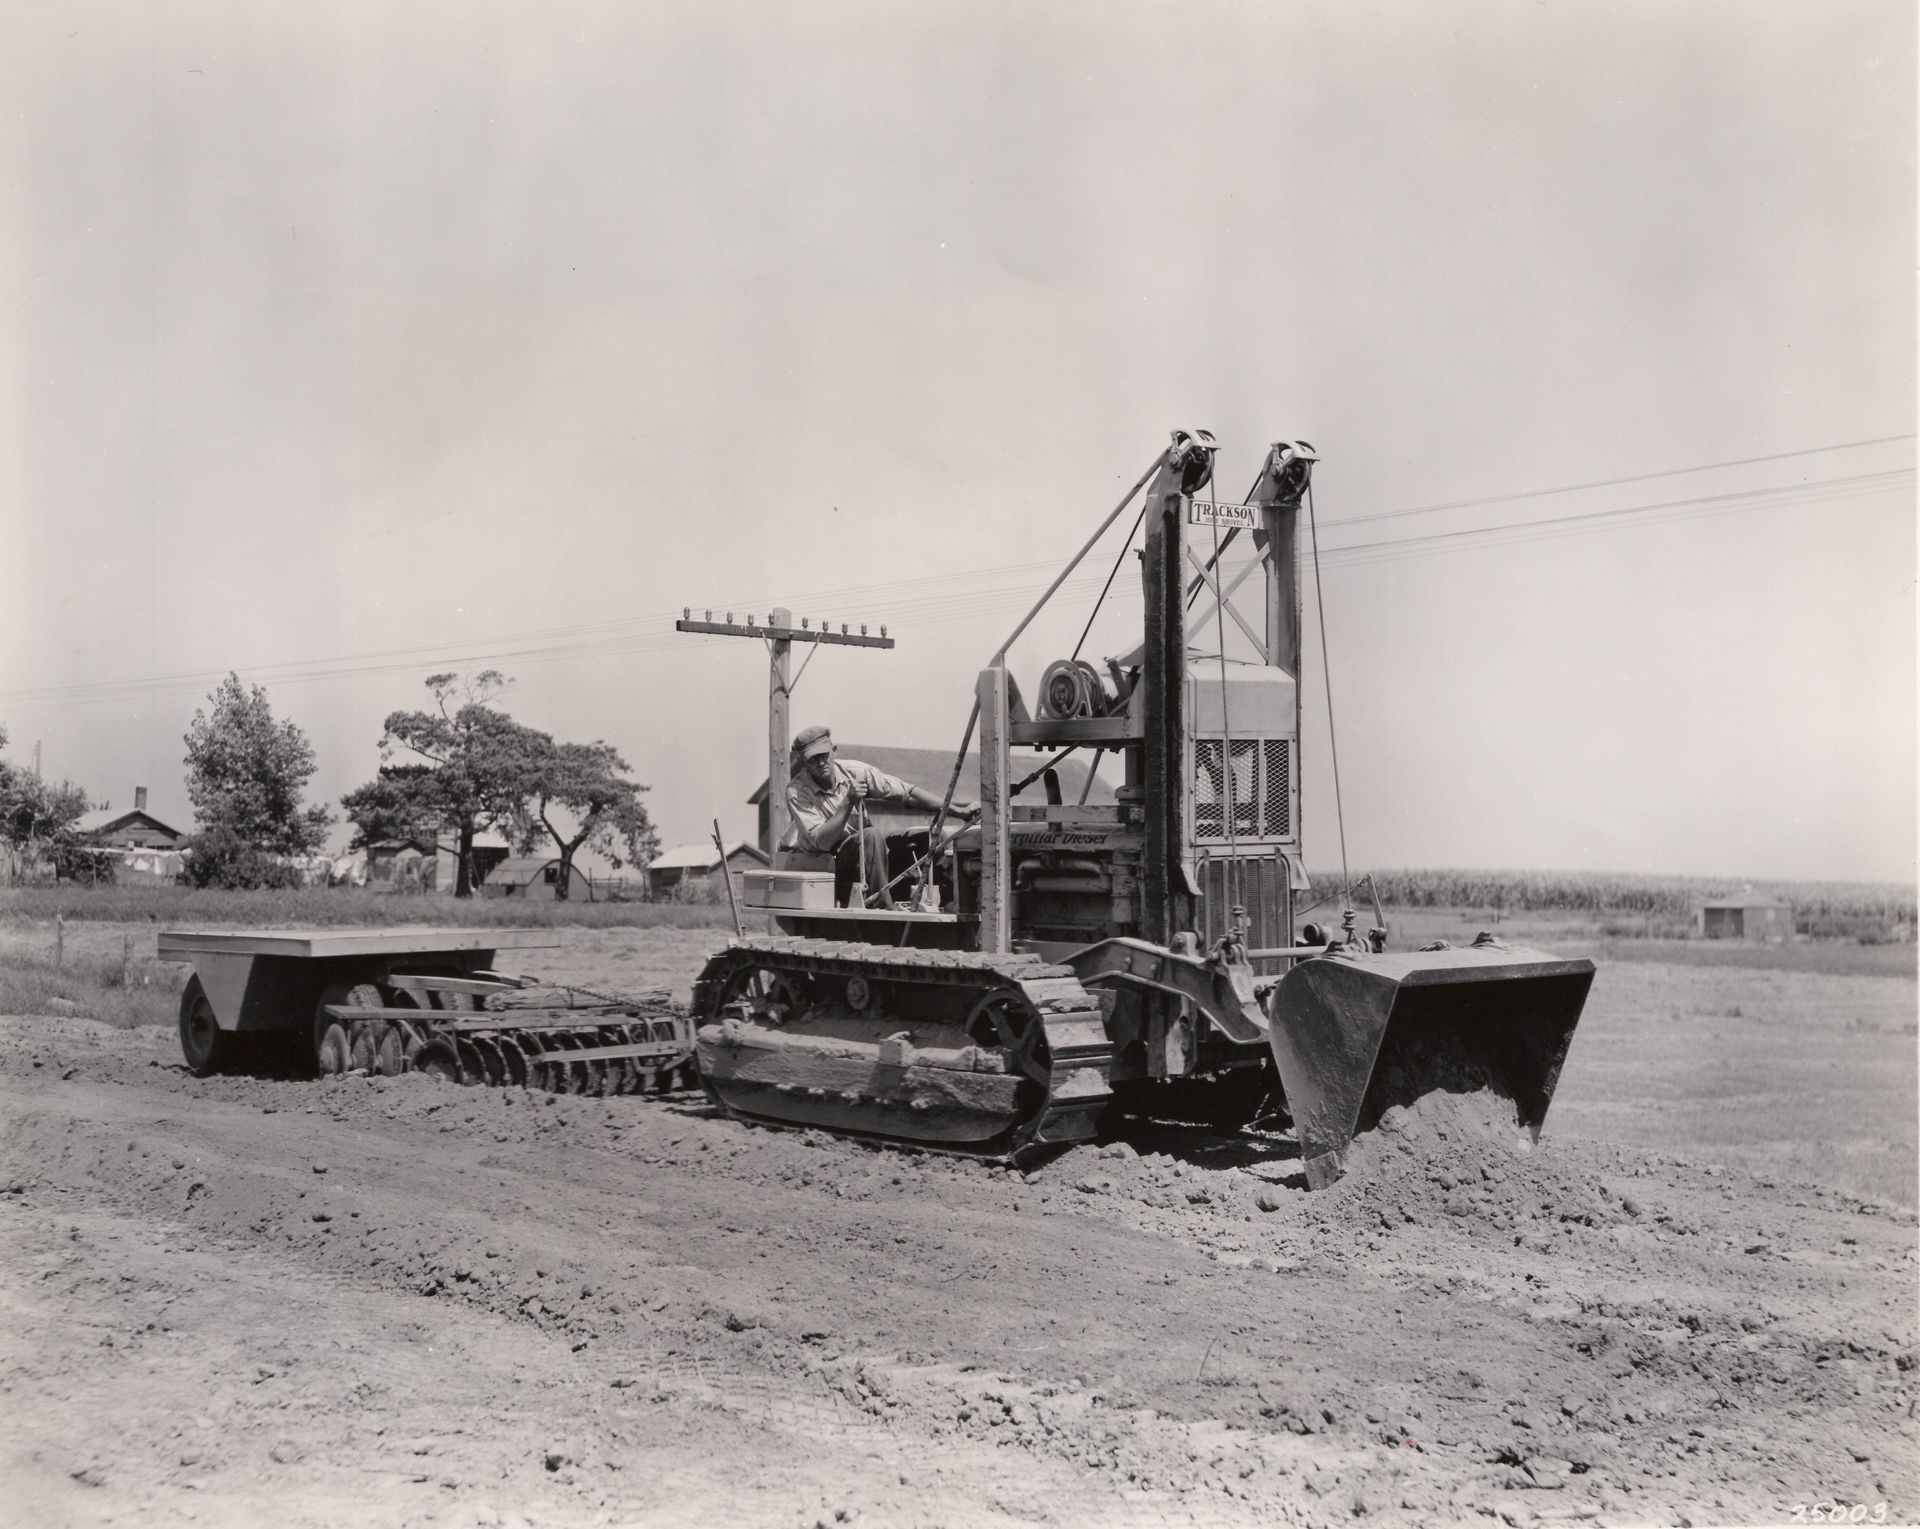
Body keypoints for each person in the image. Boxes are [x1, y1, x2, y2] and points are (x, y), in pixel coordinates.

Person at [780, 726, 978, 907]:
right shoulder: (797, 792)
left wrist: (958, 812)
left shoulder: (856, 772)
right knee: (871, 836)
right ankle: (883, 909)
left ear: (834, 751)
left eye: (824, 755)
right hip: (829, 864)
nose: (821, 762)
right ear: (802, 762)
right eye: (813, 759)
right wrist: (847, 802)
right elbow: (822, 842)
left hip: (866, 854)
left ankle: (944, 903)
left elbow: (907, 792)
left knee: (934, 838)